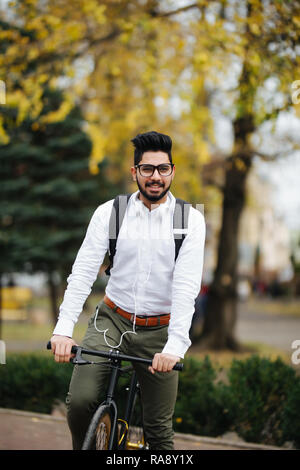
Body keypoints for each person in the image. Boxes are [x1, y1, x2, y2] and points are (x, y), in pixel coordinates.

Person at [50, 131, 206, 450]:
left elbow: (186, 287)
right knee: (80, 403)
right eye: (147, 169)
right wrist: (63, 330)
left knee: (159, 434)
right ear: (134, 172)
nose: (155, 177)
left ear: (172, 171)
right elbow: (81, 273)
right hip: (112, 320)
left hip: (160, 330)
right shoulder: (110, 213)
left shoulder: (190, 220)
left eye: (163, 169)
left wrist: (175, 345)